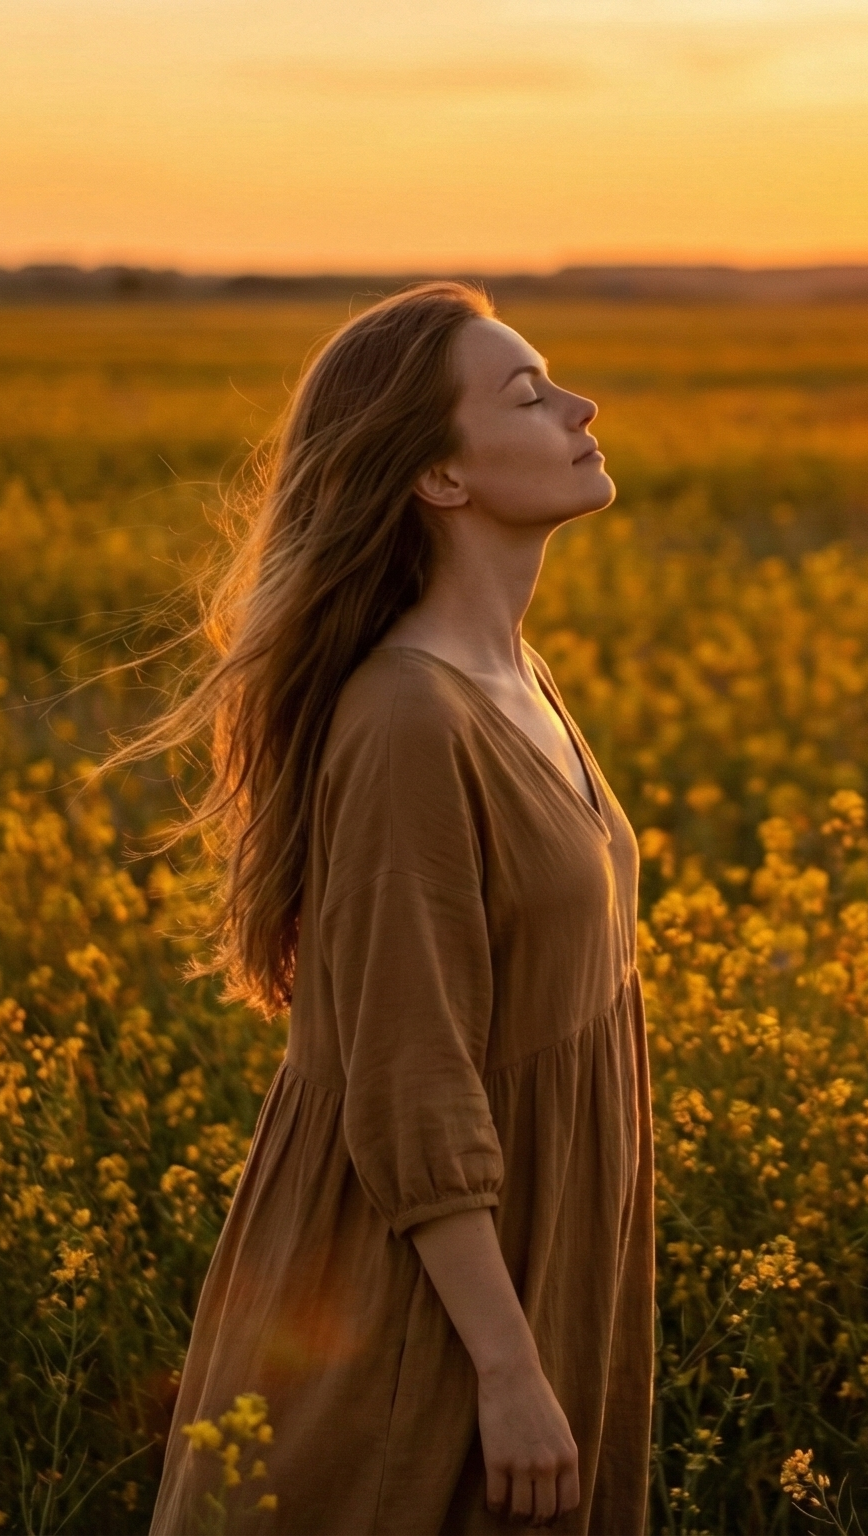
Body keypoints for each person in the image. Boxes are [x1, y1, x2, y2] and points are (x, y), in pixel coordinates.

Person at [121, 282, 649, 1533]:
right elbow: (411, 1081)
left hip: (535, 1254)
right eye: (525, 394)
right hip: (426, 1305)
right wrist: (507, 1371)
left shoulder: (517, 677)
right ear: (440, 480)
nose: (580, 406)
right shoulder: (410, 718)